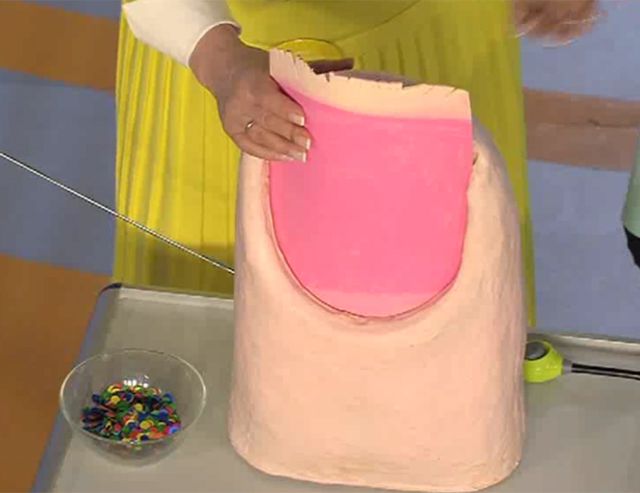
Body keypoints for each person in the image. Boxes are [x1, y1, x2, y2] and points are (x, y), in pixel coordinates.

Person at [114, 0, 600, 326]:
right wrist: (221, 61)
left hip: (441, 42)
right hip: (230, 66)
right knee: (207, 361)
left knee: (448, 365)